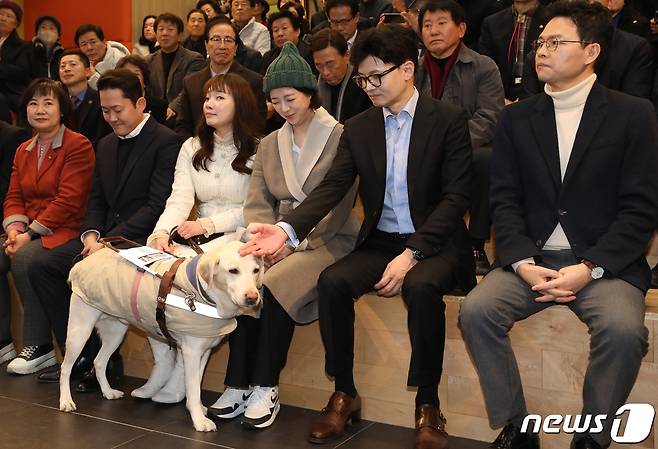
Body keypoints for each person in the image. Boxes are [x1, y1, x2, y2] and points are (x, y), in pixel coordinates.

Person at [241, 25, 475, 448]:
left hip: (434, 242)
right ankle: (344, 392)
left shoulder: (447, 120)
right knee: (332, 281)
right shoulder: (361, 126)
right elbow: (331, 188)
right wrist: (285, 229)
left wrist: (413, 253)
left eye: (376, 77)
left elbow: (457, 197)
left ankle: (428, 404)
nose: (368, 87)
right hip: (382, 239)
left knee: (421, 288)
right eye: (363, 79)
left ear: (407, 69)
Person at [458, 2, 658, 449]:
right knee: (475, 311)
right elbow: (504, 200)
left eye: (554, 42)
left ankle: (591, 437)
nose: (541, 51)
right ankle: (516, 425)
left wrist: (591, 266)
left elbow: (641, 209)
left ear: (590, 52)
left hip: (604, 263)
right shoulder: (517, 117)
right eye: (540, 42)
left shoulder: (632, 113)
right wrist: (522, 262)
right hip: (532, 259)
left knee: (624, 332)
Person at [208, 42, 359, 430]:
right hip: (274, 237)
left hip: (327, 237)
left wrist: (291, 242)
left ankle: (265, 385)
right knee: (244, 278)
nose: (284, 108)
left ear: (310, 94)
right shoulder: (271, 142)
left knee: (271, 286)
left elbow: (338, 202)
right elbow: (257, 200)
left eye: (290, 98)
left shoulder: (340, 135)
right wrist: (261, 238)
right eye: (275, 101)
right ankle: (237, 383)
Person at [28, 69, 181, 388]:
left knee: (86, 266)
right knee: (43, 265)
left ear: (139, 103)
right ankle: (84, 357)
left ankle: (106, 365)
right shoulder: (106, 143)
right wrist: (91, 234)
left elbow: (156, 205)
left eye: (118, 110)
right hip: (104, 237)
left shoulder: (166, 141)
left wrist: (108, 242)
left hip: (141, 239)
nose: (111, 117)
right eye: (105, 111)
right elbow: (95, 198)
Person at [137, 74, 262, 403]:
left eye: (220, 97)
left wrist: (206, 225)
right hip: (196, 238)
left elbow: (256, 209)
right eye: (208, 97)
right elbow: (179, 199)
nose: (210, 104)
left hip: (239, 237)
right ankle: (165, 362)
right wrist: (161, 232)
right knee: (154, 273)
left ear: (241, 104)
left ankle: (182, 372)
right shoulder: (191, 147)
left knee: (197, 276)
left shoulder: (259, 149)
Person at [2, 79, 95, 375]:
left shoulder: (77, 144)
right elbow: (14, 194)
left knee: (26, 257)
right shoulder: (23, 150)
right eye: (33, 103)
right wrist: (15, 228)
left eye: (48, 103)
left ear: (62, 109)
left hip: (67, 229)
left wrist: (28, 234)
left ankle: (38, 346)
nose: (40, 110)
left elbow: (69, 200)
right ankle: (4, 340)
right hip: (32, 230)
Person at [415, 0, 504, 274]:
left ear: (461, 29)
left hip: (468, 148)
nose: (433, 31)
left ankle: (476, 243)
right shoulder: (412, 70)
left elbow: (489, 118)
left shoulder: (483, 67)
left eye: (442, 23)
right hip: (423, 149)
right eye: (427, 25)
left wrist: (449, 146)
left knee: (485, 159)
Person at [175, 16, 266, 140]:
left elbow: (257, 125)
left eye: (228, 40)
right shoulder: (191, 82)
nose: (222, 46)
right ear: (206, 45)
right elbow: (183, 126)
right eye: (216, 39)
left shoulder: (252, 81)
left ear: (236, 48)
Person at [0, 120, 30, 365]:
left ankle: (4, 341)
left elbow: (7, 192)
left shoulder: (12, 136)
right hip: (13, 223)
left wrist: (13, 226)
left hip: (23, 223)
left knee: (15, 257)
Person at [478, 0, 549, 102]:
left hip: (541, 94)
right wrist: (499, 99)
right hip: (499, 96)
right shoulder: (492, 22)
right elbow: (484, 66)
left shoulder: (553, 19)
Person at [146, 13, 207, 124]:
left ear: (180, 35)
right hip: (155, 116)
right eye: (161, 29)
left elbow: (190, 88)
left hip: (182, 115)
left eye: (170, 29)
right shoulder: (148, 61)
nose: (165, 33)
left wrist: (174, 107)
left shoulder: (194, 59)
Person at [310, 28, 372, 123]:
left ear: (347, 56)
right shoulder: (313, 87)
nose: (325, 72)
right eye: (319, 65)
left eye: (330, 64)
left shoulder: (364, 86)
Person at [59, 49, 112, 147]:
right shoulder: (58, 102)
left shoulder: (100, 100)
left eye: (73, 64)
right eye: (62, 66)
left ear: (87, 72)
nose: (66, 69)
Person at [116, 54, 168, 124]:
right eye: (127, 74)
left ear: (144, 79)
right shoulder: (114, 107)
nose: (132, 78)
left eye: (136, 74)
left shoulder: (161, 107)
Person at [75, 24, 130, 89]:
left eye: (93, 42)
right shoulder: (81, 62)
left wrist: (94, 76)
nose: (89, 48)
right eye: (84, 44)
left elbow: (117, 91)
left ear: (104, 41)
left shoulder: (120, 60)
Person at [0, 1, 29, 123]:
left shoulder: (23, 46)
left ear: (16, 24)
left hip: (11, 90)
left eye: (9, 16)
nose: (3, 18)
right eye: (1, 14)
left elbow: (21, 72)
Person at [261, 10, 314, 74]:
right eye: (276, 30)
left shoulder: (310, 53)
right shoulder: (268, 57)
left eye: (284, 28)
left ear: (297, 31)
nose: (280, 34)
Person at [28, 16, 64, 80]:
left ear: (58, 35)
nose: (48, 31)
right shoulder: (26, 50)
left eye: (52, 28)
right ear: (37, 33)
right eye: (43, 27)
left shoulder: (63, 54)